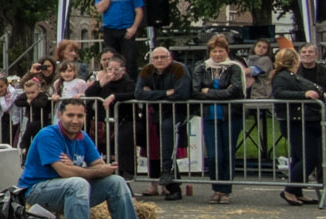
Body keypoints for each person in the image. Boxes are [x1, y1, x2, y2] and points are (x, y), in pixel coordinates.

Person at [18, 99, 139, 219]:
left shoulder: (83, 136)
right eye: (70, 115)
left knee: (116, 181)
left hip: (68, 187)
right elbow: (65, 172)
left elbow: (99, 165)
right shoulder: (47, 135)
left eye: (80, 116)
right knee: (78, 184)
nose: (75, 121)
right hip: (36, 190)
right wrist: (85, 170)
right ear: (59, 115)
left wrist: (74, 167)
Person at [195, 34, 247, 204]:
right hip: (210, 116)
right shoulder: (202, 68)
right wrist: (220, 93)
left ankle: (226, 190)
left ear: (227, 51)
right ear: (209, 52)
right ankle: (216, 188)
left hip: (231, 116)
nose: (217, 54)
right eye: (214, 51)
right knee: (213, 155)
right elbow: (196, 91)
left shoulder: (234, 67)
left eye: (221, 51)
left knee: (227, 153)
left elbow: (234, 90)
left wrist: (208, 92)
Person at [270, 48, 325, 206]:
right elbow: (279, 93)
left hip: (305, 120)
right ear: (295, 61)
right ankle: (290, 189)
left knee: (299, 158)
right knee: (309, 157)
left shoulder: (291, 76)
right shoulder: (282, 77)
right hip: (294, 121)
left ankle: (297, 191)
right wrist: (304, 94)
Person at [135, 46, 191, 200]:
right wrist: (166, 93)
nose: (159, 60)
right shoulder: (147, 70)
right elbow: (139, 93)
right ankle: (173, 186)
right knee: (165, 146)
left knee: (168, 137)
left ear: (170, 57)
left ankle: (167, 172)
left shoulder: (179, 69)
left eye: (162, 57)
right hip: (160, 112)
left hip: (177, 112)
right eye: (156, 58)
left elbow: (182, 93)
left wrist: (151, 94)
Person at [82, 56, 137, 190]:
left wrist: (114, 97)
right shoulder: (104, 82)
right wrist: (100, 83)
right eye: (110, 69)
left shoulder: (128, 83)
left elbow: (134, 93)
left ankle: (124, 182)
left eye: (116, 69)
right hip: (102, 124)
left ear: (123, 70)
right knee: (101, 153)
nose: (113, 72)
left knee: (119, 151)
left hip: (122, 122)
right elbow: (88, 94)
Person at [95, 0, 145, 73]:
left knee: (130, 59)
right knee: (110, 58)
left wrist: (134, 28)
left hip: (126, 30)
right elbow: (100, 9)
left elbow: (139, 12)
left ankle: (130, 84)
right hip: (109, 29)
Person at [13, 76, 52, 149]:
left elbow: (42, 103)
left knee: (32, 128)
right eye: (28, 93)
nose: (30, 95)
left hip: (42, 120)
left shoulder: (42, 95)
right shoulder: (26, 96)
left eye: (32, 92)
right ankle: (26, 150)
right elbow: (17, 102)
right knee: (30, 130)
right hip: (31, 119)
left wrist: (31, 102)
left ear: (39, 89)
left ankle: (24, 141)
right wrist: (27, 102)